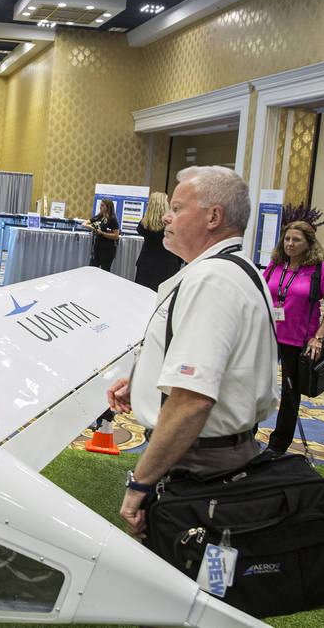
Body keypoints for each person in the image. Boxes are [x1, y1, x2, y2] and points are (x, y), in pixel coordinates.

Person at [105, 166, 278, 539]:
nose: (166, 216)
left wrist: (140, 484)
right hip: (212, 452)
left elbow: (192, 401)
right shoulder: (233, 269)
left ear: (213, 216)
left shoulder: (212, 280)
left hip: (198, 461)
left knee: (183, 571)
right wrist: (146, 383)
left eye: (178, 208)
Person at [263, 220, 324, 454]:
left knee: (289, 393)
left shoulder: (320, 268)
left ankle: (278, 445)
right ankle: (247, 434)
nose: (290, 244)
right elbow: (262, 291)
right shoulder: (277, 264)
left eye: (296, 240)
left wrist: (318, 337)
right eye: (287, 239)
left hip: (299, 340)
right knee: (257, 384)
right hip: (270, 335)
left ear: (308, 243)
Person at [134, 192, 182, 291]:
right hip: (167, 264)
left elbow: (141, 229)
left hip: (147, 264)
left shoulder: (144, 224)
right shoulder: (173, 223)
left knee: (143, 295)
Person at [82, 198, 119, 271]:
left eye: (102, 205)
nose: (100, 207)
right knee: (92, 269)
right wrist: (92, 227)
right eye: (100, 205)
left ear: (108, 207)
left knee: (104, 270)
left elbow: (116, 236)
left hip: (107, 250)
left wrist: (102, 233)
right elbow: (84, 223)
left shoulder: (112, 219)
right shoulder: (99, 216)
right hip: (97, 247)